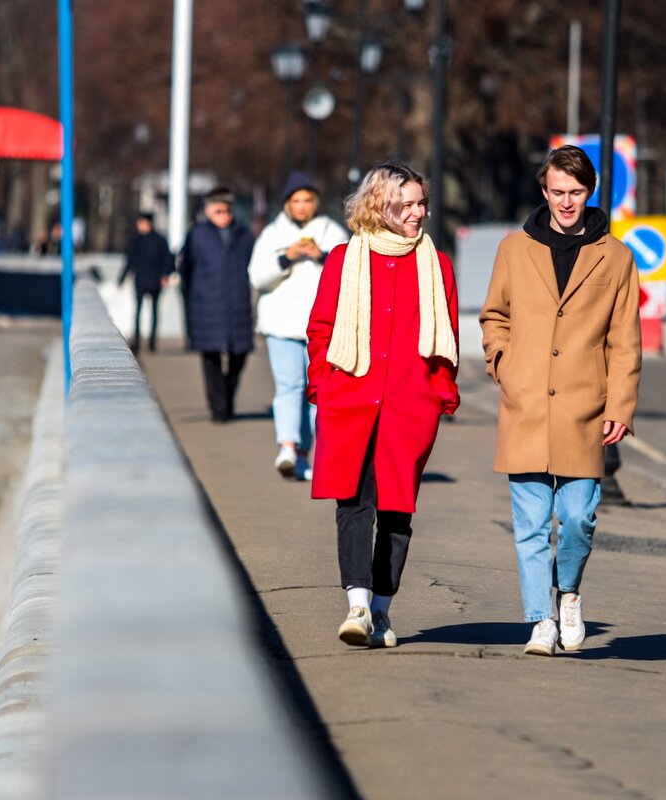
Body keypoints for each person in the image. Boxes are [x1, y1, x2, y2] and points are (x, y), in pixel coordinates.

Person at [479, 145, 641, 656]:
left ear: (589, 192)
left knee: (578, 519)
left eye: (575, 192)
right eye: (557, 192)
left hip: (585, 407)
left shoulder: (616, 257)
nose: (566, 202)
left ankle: (568, 594)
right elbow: (494, 315)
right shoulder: (513, 248)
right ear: (543, 191)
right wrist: (503, 363)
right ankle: (540, 620)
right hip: (525, 402)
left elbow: (625, 339)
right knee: (529, 525)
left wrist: (620, 405)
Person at [307, 161, 460, 649]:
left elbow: (448, 336)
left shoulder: (437, 265)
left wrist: (438, 396)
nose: (419, 213)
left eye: (422, 203)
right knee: (353, 500)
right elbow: (322, 329)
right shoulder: (343, 260)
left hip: (409, 405)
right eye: (408, 204)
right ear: (382, 205)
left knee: (396, 510)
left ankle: (381, 608)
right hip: (350, 399)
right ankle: (356, 603)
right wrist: (323, 387)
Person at [249, 172, 349, 480]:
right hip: (281, 324)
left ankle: (307, 455)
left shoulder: (331, 230)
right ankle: (288, 446)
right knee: (289, 386)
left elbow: (348, 269)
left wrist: (320, 256)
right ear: (287, 203)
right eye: (296, 201)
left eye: (307, 200)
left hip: (321, 328)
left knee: (318, 392)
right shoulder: (272, 234)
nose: (302, 207)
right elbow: (257, 277)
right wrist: (286, 258)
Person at [179, 187, 255, 422]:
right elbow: (185, 270)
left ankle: (227, 399)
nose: (224, 216)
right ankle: (219, 409)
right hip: (206, 305)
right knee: (210, 358)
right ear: (208, 211)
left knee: (239, 356)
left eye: (227, 211)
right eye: (218, 211)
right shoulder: (197, 235)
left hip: (237, 305)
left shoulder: (244, 234)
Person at [117, 212, 174, 353]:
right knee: (138, 311)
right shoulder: (136, 241)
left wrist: (165, 275)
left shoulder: (160, 240)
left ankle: (152, 342)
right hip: (141, 280)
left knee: (154, 311)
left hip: (155, 280)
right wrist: (122, 279)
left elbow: (167, 259)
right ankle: (136, 341)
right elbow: (129, 261)